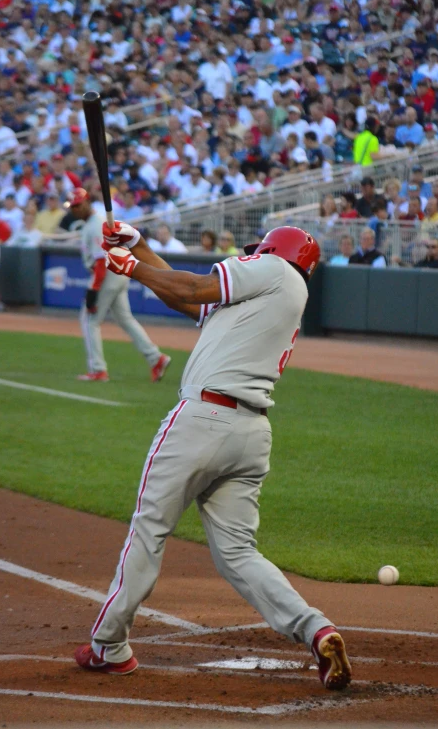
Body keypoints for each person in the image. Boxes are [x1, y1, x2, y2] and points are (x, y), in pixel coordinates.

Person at [75, 221, 352, 693]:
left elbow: (194, 284)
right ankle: (316, 630)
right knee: (238, 553)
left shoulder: (270, 269)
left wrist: (131, 267)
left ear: (270, 251)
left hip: (202, 420)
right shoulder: (273, 298)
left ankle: (108, 646)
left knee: (150, 528)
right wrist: (138, 245)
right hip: (249, 433)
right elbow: (188, 298)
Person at [67, 188, 170, 383]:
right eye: (73, 206)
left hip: (108, 274)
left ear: (88, 202)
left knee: (90, 320)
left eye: (78, 204)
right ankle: (156, 358)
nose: (76, 209)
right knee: (125, 319)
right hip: (117, 273)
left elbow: (100, 261)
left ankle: (98, 369)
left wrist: (94, 289)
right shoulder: (92, 223)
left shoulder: (96, 224)